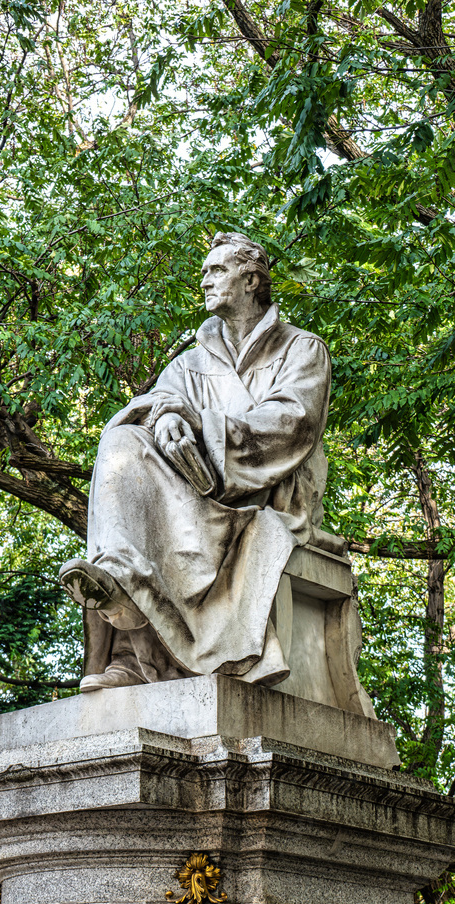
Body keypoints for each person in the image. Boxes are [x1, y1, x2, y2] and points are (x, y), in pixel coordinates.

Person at [59, 232, 331, 691]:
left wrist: (202, 424)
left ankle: (135, 635)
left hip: (263, 493)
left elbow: (293, 423)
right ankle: (122, 602)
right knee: (123, 441)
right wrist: (166, 419)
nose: (204, 281)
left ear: (251, 280)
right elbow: (158, 403)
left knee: (168, 514)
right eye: (204, 272)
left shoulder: (301, 349)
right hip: (190, 490)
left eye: (216, 271)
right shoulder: (189, 363)